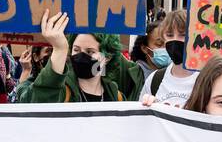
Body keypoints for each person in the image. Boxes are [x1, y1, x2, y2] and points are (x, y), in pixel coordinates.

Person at [14, 11, 144, 103]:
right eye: (76, 49)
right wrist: (59, 49)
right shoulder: (61, 91)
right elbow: (38, 102)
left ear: (107, 58)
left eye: (90, 52)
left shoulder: (116, 97)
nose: (81, 56)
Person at [137, 10, 196, 105]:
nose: (175, 40)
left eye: (183, 35)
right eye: (169, 35)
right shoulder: (155, 80)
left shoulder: (207, 79)